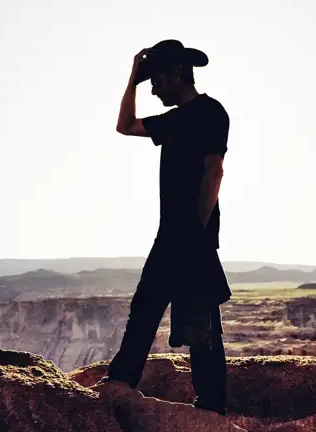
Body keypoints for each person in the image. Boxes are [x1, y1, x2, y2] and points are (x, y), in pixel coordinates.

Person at [94, 39, 232, 416]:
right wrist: (133, 80)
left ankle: (209, 409)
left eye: (156, 80)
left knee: (198, 324)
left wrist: (197, 232)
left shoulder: (210, 112)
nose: (153, 88)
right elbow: (124, 126)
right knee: (148, 311)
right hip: (171, 236)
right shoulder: (171, 121)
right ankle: (121, 386)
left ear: (177, 74)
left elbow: (214, 170)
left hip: (191, 237)